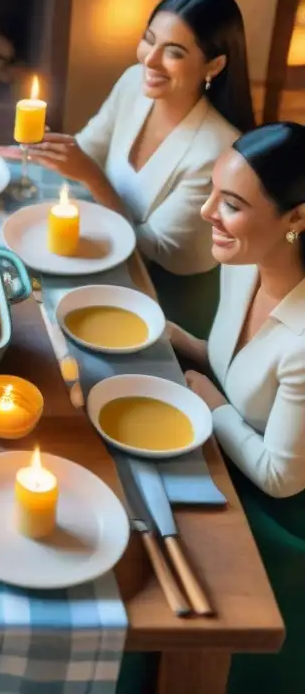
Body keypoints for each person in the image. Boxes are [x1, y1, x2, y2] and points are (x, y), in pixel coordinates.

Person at [0, 0, 254, 338]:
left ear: (214, 64)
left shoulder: (218, 150)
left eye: (173, 52)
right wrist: (24, 155)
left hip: (163, 302)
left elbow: (162, 253)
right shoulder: (134, 84)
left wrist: (94, 179)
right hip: (103, 253)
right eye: (149, 40)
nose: (149, 60)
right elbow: (88, 149)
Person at [168, 121, 305, 692]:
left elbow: (281, 475)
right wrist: (177, 338)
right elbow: (232, 367)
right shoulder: (242, 263)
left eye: (231, 204)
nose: (207, 214)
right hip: (222, 456)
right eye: (212, 194)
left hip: (277, 522)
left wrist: (211, 404)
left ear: (297, 219)